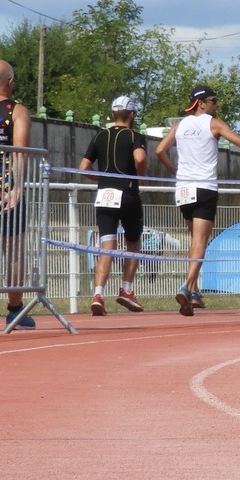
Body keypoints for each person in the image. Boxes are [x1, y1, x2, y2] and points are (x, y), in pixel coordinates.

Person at [154, 85, 240, 317]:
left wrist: (175, 171)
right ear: (202, 103)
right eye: (214, 101)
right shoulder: (214, 123)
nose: (217, 105)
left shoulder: (179, 125)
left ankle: (194, 292)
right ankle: (186, 286)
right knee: (200, 242)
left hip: (183, 189)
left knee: (194, 241)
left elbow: (159, 151)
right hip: (204, 187)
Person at [79, 95, 149, 316]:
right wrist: (143, 176)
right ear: (132, 115)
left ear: (113, 114)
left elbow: (83, 168)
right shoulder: (135, 136)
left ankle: (98, 294)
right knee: (133, 243)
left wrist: (102, 179)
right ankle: (126, 289)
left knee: (106, 247)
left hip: (105, 195)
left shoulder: (100, 135)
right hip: (128, 194)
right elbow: (140, 158)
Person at [0, 60, 35, 330]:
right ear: (10, 82)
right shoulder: (16, 111)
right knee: (14, 250)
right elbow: (20, 151)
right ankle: (15, 311)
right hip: (4, 188)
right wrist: (18, 188)